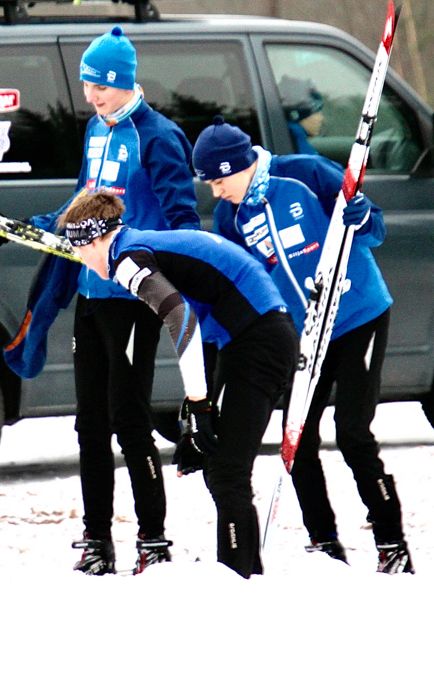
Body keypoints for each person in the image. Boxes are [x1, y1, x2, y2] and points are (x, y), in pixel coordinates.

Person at [0, 26, 200, 575]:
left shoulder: (159, 137)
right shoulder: (96, 133)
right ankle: (97, 540)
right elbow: (78, 209)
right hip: (90, 290)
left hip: (132, 296)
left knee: (129, 419)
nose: (93, 96)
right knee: (90, 424)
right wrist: (16, 229)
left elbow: (185, 226)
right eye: (87, 85)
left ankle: (153, 540)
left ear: (124, 83)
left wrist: (152, 266)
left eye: (101, 86)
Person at [193, 116, 414, 573]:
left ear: (238, 166)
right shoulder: (229, 216)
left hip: (358, 315)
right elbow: (239, 281)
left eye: (218, 180)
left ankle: (392, 543)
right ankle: (325, 544)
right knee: (298, 441)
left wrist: (364, 216)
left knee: (353, 433)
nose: (216, 191)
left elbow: (376, 232)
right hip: (304, 332)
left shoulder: (306, 174)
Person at [62, 189, 297, 578]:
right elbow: (203, 305)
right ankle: (244, 574)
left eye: (79, 247)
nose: (80, 259)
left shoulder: (126, 260)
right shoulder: (140, 244)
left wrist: (200, 402)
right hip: (249, 336)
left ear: (97, 237)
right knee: (222, 466)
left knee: (226, 471)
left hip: (259, 339)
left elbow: (181, 319)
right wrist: (195, 413)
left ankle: (240, 581)